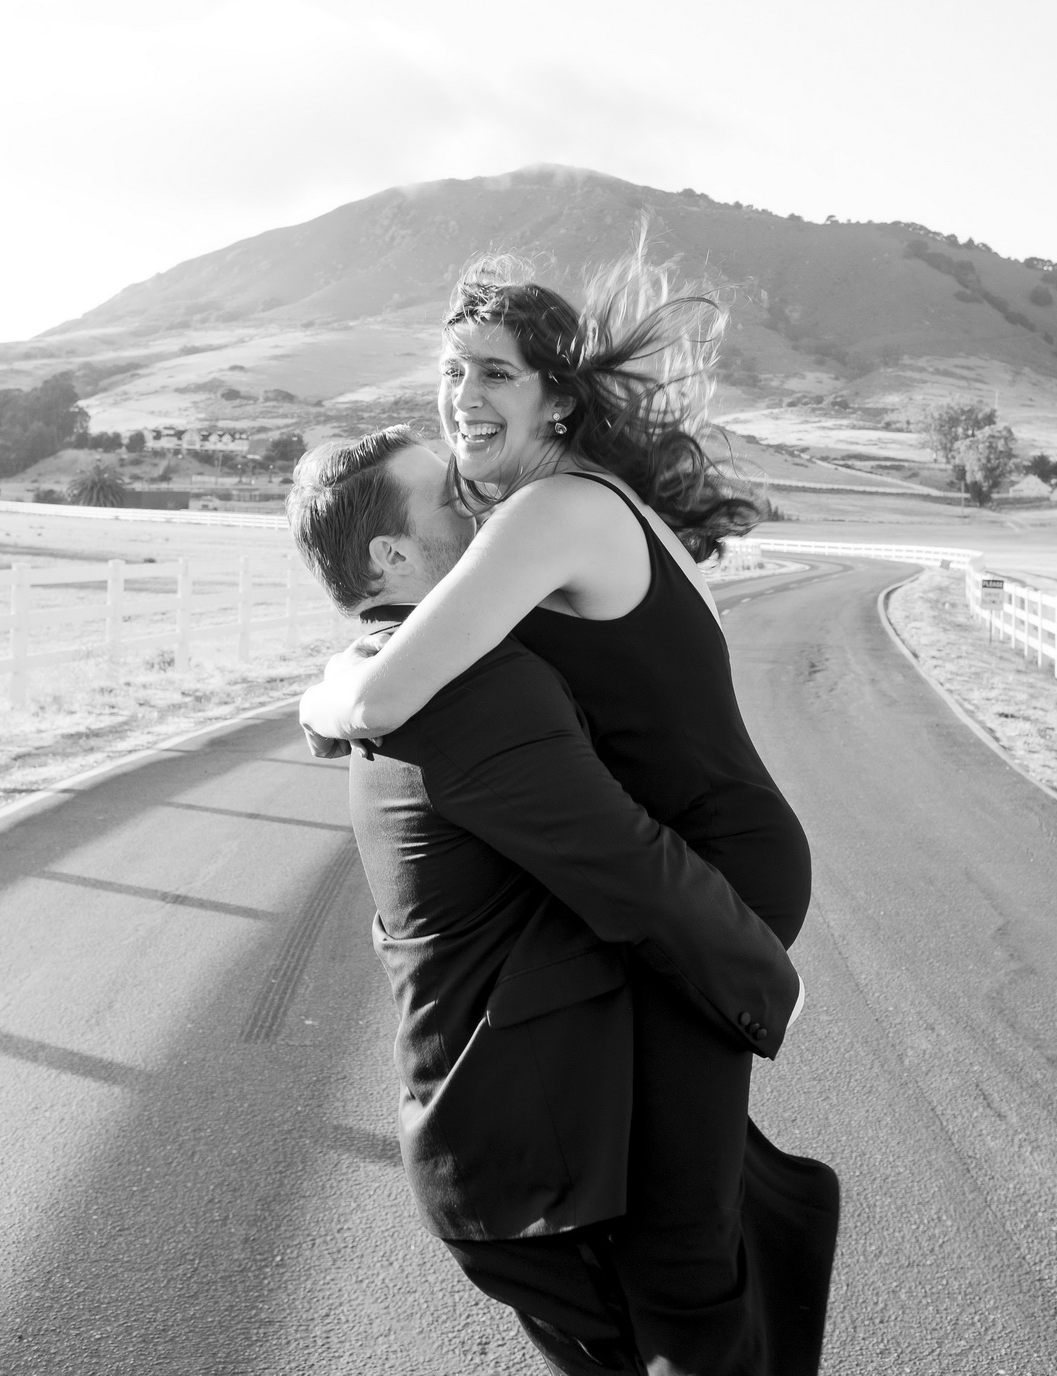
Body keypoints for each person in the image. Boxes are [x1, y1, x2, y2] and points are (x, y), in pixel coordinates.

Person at [299, 253, 835, 1375]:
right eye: (452, 370)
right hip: (693, 861)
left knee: (679, 1240)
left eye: (495, 372)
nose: (463, 396)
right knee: (672, 1183)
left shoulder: (550, 512)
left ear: (556, 399)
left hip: (708, 875)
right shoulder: (565, 502)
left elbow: (386, 693)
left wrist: (324, 700)